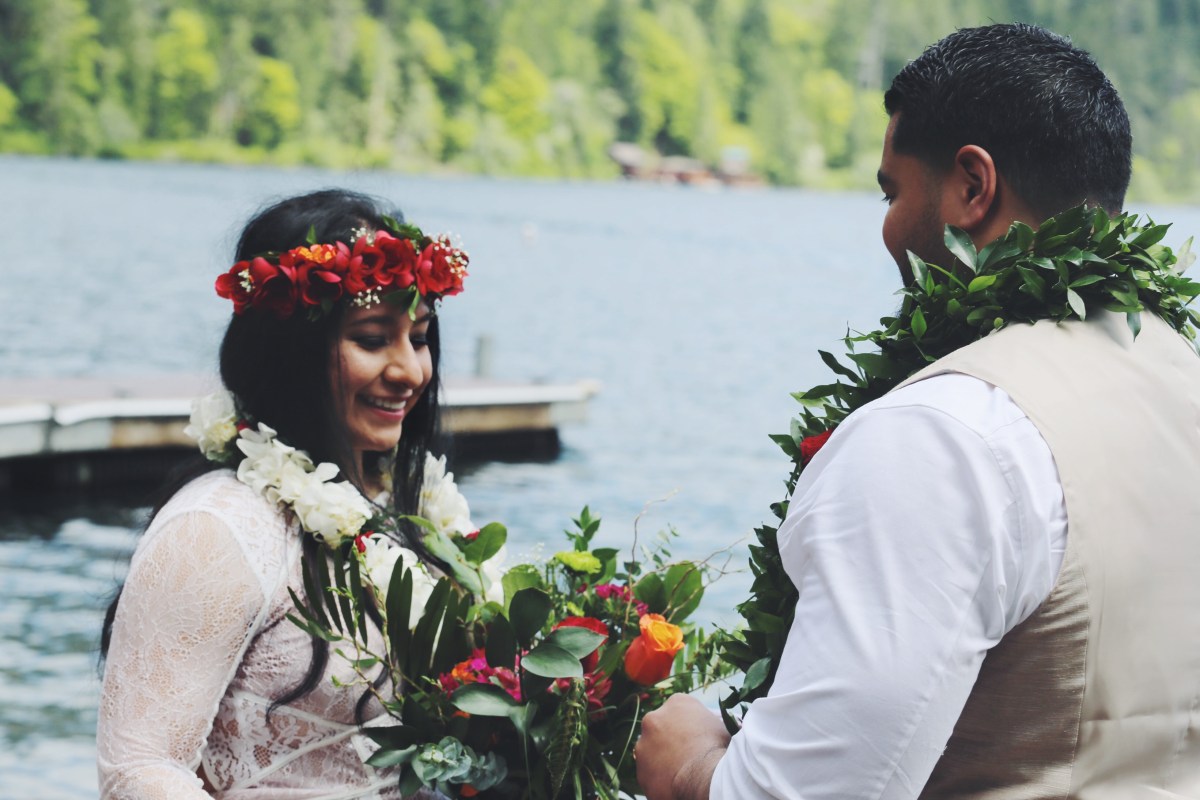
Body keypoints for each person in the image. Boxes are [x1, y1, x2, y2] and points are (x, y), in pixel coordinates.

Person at [635, 23, 1200, 799]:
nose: (888, 229)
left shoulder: (944, 436)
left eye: (892, 191)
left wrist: (693, 762)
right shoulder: (1181, 379)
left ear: (972, 187)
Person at [97, 188, 470, 798]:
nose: (411, 371)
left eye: (420, 337)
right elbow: (137, 770)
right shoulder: (218, 525)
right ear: (293, 354)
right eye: (374, 339)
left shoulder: (405, 511)